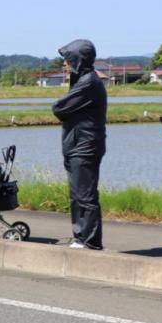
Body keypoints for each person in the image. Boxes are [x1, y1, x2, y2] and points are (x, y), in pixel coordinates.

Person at [53, 39, 107, 250]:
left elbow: (59, 108)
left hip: (85, 146)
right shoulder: (82, 80)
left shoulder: (88, 83)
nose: (64, 64)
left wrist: (62, 107)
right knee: (77, 194)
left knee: (84, 195)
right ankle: (80, 237)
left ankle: (90, 241)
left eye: (67, 60)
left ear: (78, 59)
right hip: (77, 145)